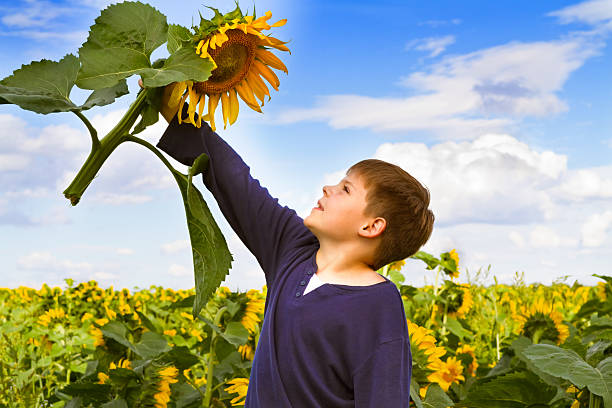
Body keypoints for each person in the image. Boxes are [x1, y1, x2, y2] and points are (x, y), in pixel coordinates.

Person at [152, 82, 435, 407]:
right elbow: (234, 179)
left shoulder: (378, 306)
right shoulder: (294, 249)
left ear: (371, 226)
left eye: (345, 189)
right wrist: (172, 104)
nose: (328, 187)